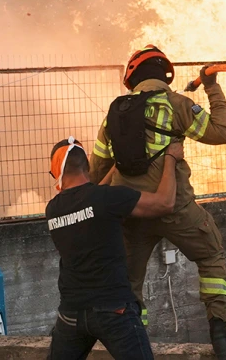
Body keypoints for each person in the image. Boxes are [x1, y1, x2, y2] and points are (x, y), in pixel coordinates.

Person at [88, 45, 226, 360]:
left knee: (129, 283)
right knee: (211, 256)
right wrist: (211, 88)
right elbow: (222, 132)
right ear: (164, 75)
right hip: (176, 208)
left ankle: (134, 344)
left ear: (133, 76)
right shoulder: (176, 104)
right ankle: (221, 334)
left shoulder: (114, 112)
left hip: (131, 213)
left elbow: (96, 168)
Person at [46, 136, 183, 360]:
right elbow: (164, 203)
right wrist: (170, 157)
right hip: (114, 311)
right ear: (87, 166)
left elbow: (89, 201)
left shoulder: (53, 209)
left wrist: (114, 170)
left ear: (57, 173)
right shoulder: (107, 199)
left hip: (71, 315)